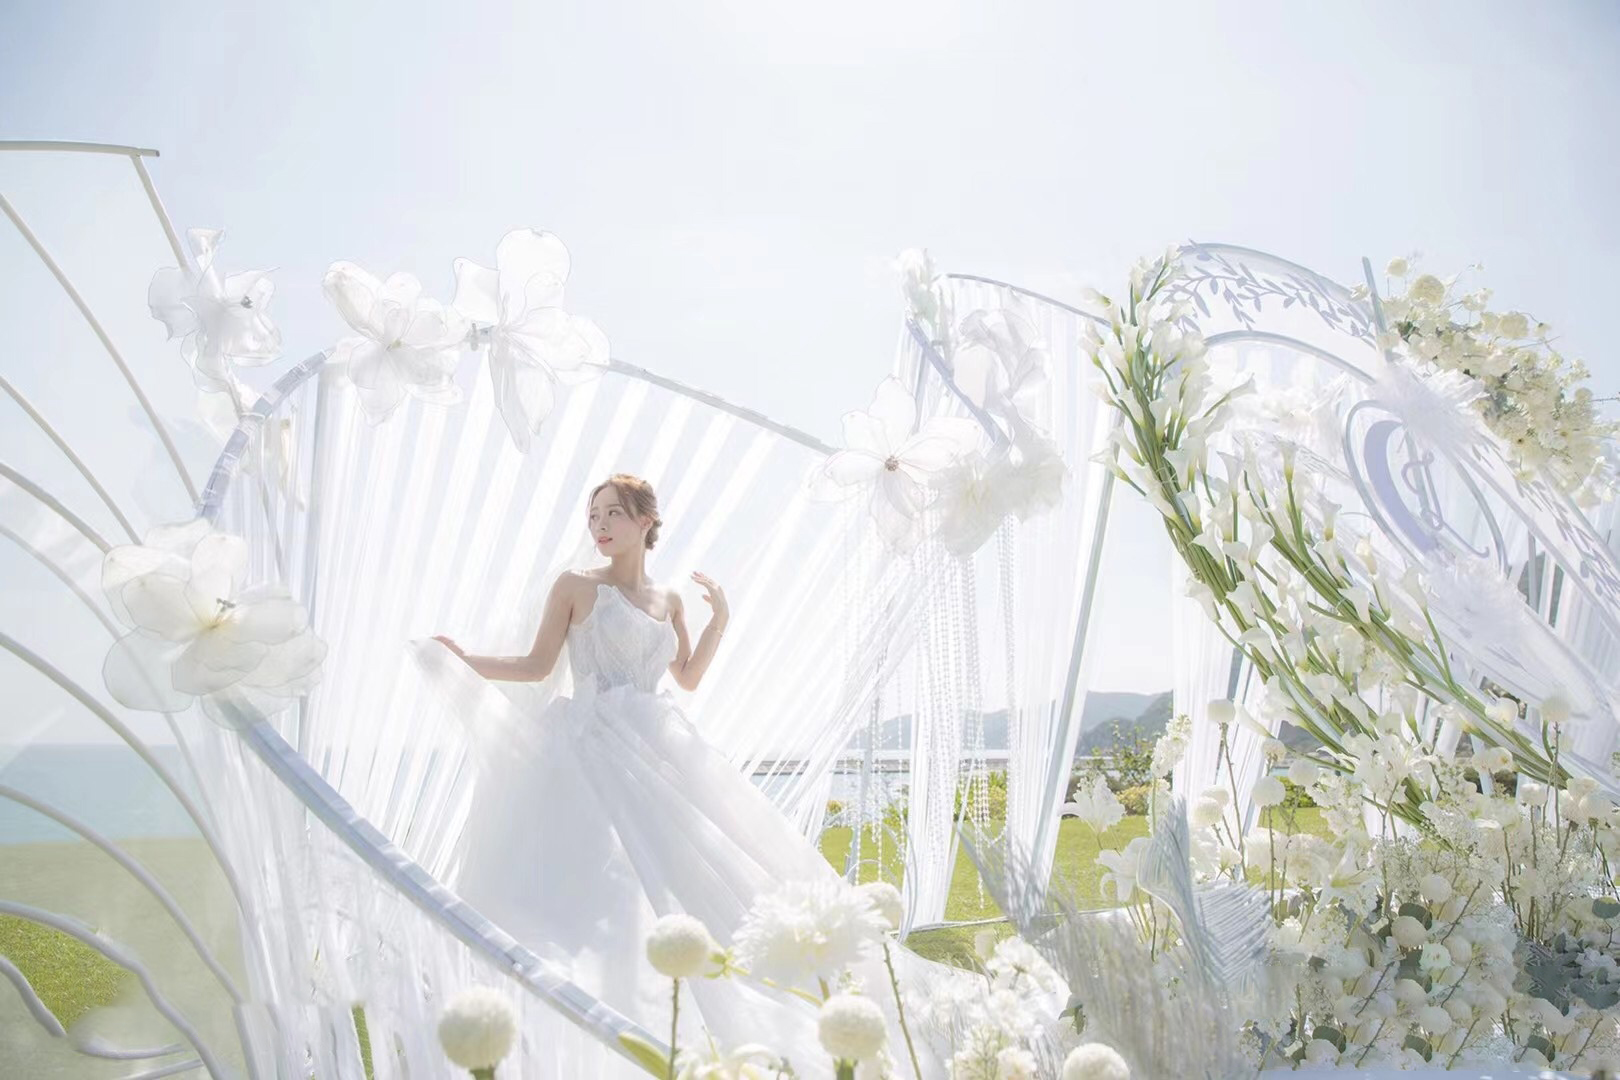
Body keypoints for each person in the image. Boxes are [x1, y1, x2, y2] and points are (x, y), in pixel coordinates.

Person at [421, 473, 901, 1073]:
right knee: (604, 880)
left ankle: (695, 992)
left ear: (645, 521)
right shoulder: (574, 586)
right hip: (590, 744)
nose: (599, 526)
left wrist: (720, 619)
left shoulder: (670, 600)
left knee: (693, 871)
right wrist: (464, 660)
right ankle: (591, 1002)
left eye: (613, 514)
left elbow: (688, 677)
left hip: (659, 744)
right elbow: (537, 665)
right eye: (593, 515)